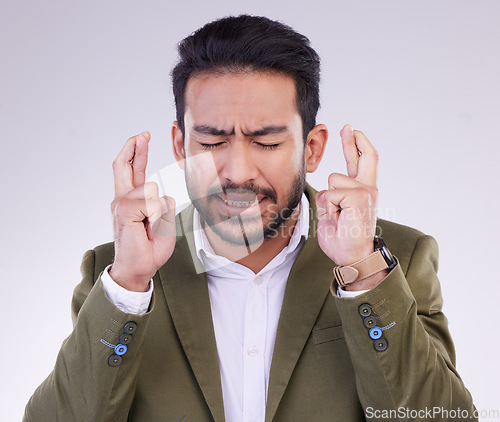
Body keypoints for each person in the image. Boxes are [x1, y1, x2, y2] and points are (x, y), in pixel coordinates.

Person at [24, 15, 476, 422]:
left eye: (266, 142)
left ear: (313, 149)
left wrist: (362, 277)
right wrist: (128, 285)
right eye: (213, 141)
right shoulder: (119, 273)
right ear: (181, 147)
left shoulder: (393, 260)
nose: (238, 172)